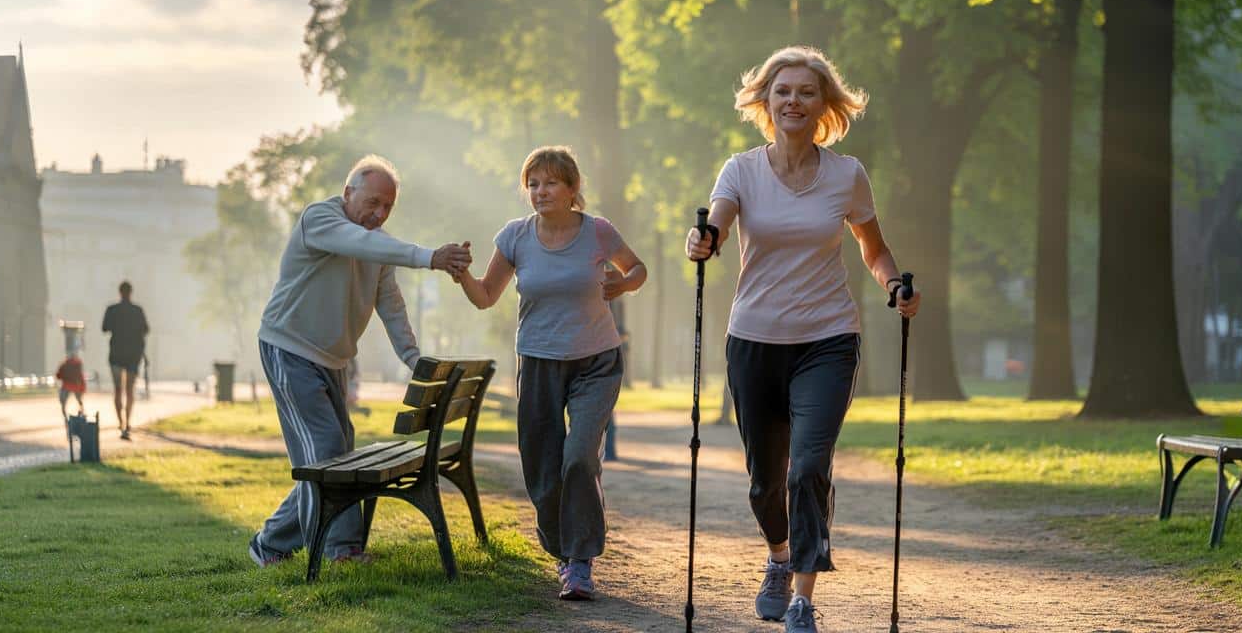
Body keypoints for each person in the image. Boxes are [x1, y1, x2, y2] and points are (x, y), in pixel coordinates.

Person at [685, 46, 921, 633]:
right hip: (755, 340)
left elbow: (873, 248)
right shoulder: (740, 170)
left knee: (808, 467)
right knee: (766, 482)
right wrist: (705, 240)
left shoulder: (847, 174)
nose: (793, 100)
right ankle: (779, 558)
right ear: (766, 101)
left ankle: (803, 601)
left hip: (828, 339)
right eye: (782, 91)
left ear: (825, 106)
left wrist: (894, 285)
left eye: (806, 92)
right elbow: (717, 222)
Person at [248, 154, 472, 568]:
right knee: (327, 455)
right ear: (348, 192)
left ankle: (271, 543)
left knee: (334, 460)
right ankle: (342, 551)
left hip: (334, 359)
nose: (379, 214)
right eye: (373, 202)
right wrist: (429, 257)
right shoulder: (320, 219)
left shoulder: (378, 245)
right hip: (290, 348)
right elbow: (358, 242)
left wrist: (413, 358)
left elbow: (391, 305)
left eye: (388, 206)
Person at [455, 146, 646, 601]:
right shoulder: (515, 237)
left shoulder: (598, 231)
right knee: (542, 465)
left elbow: (637, 269)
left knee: (579, 455)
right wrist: (462, 274)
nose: (540, 192)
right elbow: (485, 296)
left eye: (551, 183)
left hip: (596, 360)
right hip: (539, 361)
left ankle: (580, 561)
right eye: (533, 184)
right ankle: (563, 551)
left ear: (572, 188)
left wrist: (623, 284)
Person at [102, 281, 148, 441]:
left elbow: (104, 328)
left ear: (120, 292)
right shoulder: (137, 311)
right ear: (131, 292)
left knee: (117, 389)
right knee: (129, 389)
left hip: (116, 355)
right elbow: (145, 331)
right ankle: (127, 422)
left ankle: (120, 422)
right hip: (133, 356)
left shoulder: (112, 310)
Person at [55, 351, 87, 420]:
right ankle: (81, 411)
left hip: (67, 385)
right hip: (77, 385)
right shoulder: (78, 364)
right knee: (79, 400)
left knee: (63, 401)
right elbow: (80, 376)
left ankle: (64, 413)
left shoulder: (64, 364)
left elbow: (58, 375)